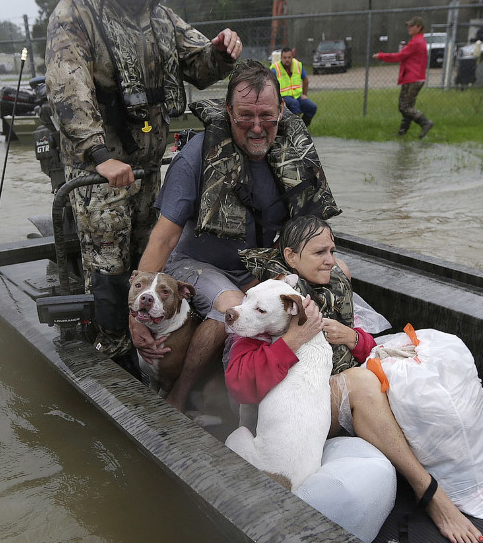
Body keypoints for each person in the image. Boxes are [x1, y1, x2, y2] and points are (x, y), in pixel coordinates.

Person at [227, 216, 483, 543]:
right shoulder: (268, 303)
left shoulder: (334, 286)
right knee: (363, 383)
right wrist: (294, 340)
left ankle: (478, 448)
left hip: (340, 370)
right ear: (291, 257)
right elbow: (240, 384)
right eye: (319, 252)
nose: (330, 260)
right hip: (306, 400)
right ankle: (430, 493)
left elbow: (364, 343)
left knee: (425, 357)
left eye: (332, 250)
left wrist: (351, 336)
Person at [45, 0, 243, 364]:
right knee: (111, 271)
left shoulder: (162, 20)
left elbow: (199, 65)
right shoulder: (76, 12)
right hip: (100, 175)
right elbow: (68, 88)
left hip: (148, 170)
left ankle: (155, 353)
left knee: (149, 269)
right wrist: (99, 155)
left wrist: (221, 50)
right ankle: (114, 353)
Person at [133, 60, 339, 411]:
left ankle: (321, 381)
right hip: (193, 263)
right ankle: (183, 396)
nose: (257, 127)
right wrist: (133, 317)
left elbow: (311, 234)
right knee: (232, 305)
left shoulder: (294, 155)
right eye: (245, 115)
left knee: (341, 273)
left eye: (266, 116)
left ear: (282, 110)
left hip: (257, 265)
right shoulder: (195, 157)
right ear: (228, 112)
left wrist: (324, 267)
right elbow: (164, 239)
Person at [373, 17, 434, 138]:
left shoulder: (416, 42)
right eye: (408, 26)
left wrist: (380, 56)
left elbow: (399, 56)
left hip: (413, 78)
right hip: (416, 77)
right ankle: (402, 132)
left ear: (419, 27)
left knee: (404, 107)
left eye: (412, 26)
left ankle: (425, 122)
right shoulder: (418, 40)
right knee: (408, 107)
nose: (409, 28)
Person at [269, 47, 317, 127]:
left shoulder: (298, 65)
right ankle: (295, 129)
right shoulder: (276, 69)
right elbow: (270, 84)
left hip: (297, 96)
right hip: (283, 98)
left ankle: (304, 127)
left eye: (289, 57)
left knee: (312, 107)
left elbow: (305, 80)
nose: (287, 60)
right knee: (295, 104)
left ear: (292, 57)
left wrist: (305, 95)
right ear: (281, 58)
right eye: (284, 58)